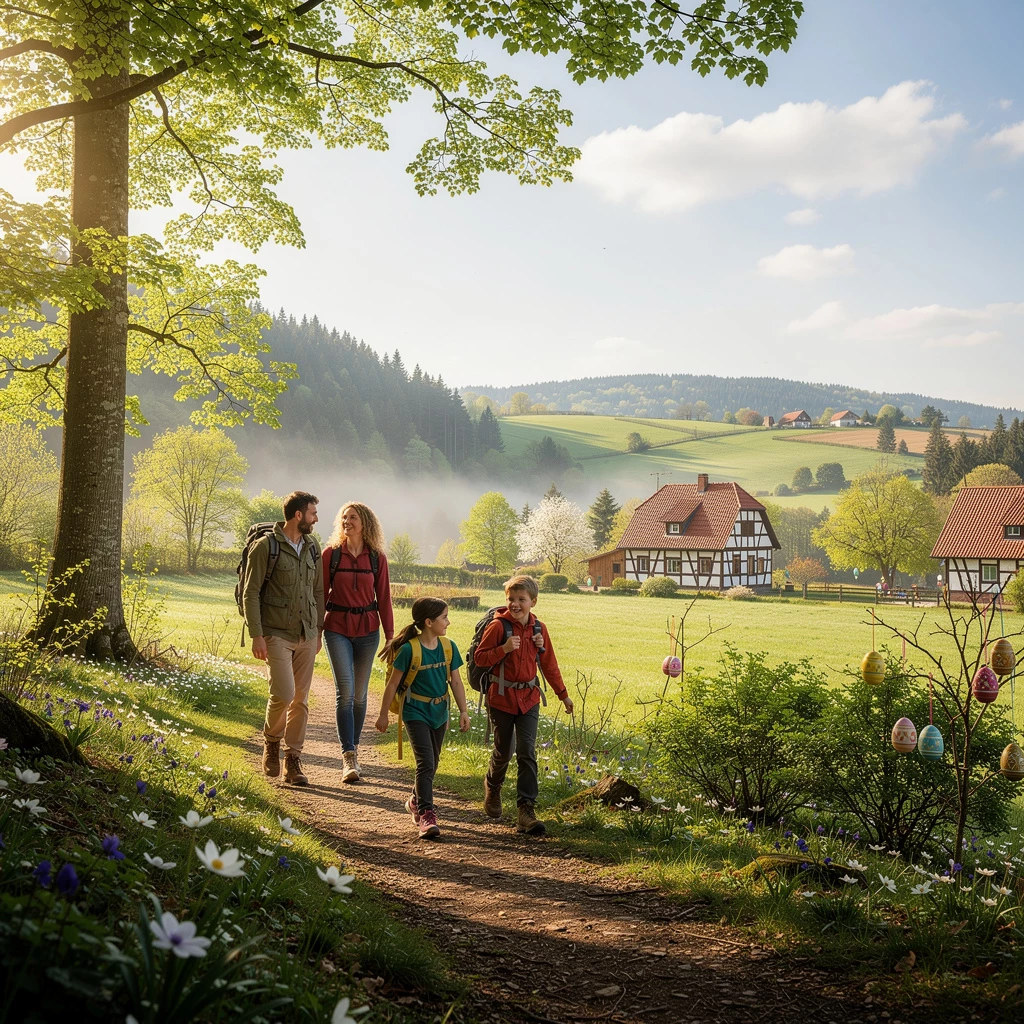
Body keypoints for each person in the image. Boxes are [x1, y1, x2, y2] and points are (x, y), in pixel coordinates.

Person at [473, 574, 573, 835]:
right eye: (511, 599)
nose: (515, 604)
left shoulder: (539, 630)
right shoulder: (498, 627)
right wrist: (503, 649)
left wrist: (563, 695)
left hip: (529, 698)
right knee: (504, 750)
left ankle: (525, 810)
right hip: (501, 699)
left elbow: (549, 664)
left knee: (527, 751)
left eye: (521, 599)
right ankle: (492, 785)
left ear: (533, 602)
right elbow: (480, 659)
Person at [241, 491, 324, 787]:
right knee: (284, 694)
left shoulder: (313, 547)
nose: (317, 518)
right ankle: (272, 742)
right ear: (298, 515)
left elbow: (318, 592)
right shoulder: (266, 547)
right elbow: (250, 592)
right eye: (313, 513)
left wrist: (319, 633)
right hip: (275, 633)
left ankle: (293, 759)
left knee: (301, 699)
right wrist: (256, 635)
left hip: (307, 633)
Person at [375, 598, 470, 839]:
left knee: (433, 762)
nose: (448, 621)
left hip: (440, 712)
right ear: (429, 622)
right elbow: (393, 683)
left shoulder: (449, 647)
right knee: (426, 762)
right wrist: (383, 714)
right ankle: (427, 814)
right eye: (444, 617)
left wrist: (463, 711)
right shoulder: (409, 650)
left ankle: (416, 801)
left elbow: (456, 682)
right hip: (415, 712)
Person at [322, 502, 393, 784]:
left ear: (365, 523)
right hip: (336, 628)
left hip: (367, 631)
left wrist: (391, 635)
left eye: (352, 517)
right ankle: (348, 755)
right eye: (343, 517)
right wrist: (316, 630)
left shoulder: (377, 558)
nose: (346, 521)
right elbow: (319, 594)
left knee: (360, 695)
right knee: (346, 691)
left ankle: (355, 748)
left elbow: (384, 598)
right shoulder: (331, 555)